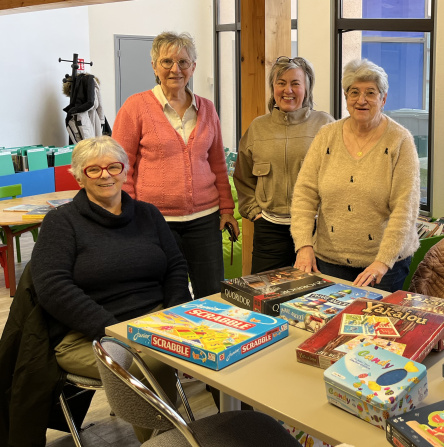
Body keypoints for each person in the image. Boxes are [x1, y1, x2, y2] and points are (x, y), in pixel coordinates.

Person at [29, 136, 191, 442]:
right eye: (93, 169)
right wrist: (113, 330)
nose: (105, 175)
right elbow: (52, 287)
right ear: (78, 177)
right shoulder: (61, 222)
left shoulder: (148, 214)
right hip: (86, 334)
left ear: (125, 171)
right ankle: (163, 440)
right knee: (149, 364)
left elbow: (175, 266)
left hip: (152, 321)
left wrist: (175, 314)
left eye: (114, 167)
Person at [113, 31, 238, 298]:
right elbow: (122, 167)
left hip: (205, 220)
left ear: (193, 67)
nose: (175, 69)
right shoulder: (135, 107)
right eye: (167, 61)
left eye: (183, 62)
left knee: (212, 293)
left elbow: (218, 164)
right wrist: (129, 212)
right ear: (154, 66)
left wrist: (227, 209)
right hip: (155, 220)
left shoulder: (207, 109)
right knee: (166, 295)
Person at [291, 58, 420, 292]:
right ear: (346, 97)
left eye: (370, 92)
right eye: (354, 92)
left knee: (371, 317)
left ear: (383, 99)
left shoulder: (400, 141)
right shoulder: (326, 136)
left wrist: (382, 262)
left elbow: (405, 208)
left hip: (383, 266)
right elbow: (304, 194)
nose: (361, 100)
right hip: (328, 261)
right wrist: (304, 245)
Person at [234, 56, 333, 273]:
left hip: (316, 230)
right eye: (281, 83)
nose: (288, 90)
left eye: (295, 83)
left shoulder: (325, 125)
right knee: (263, 290)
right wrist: (254, 212)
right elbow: (243, 176)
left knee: (315, 291)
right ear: (273, 88)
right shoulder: (257, 128)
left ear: (307, 88)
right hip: (270, 230)